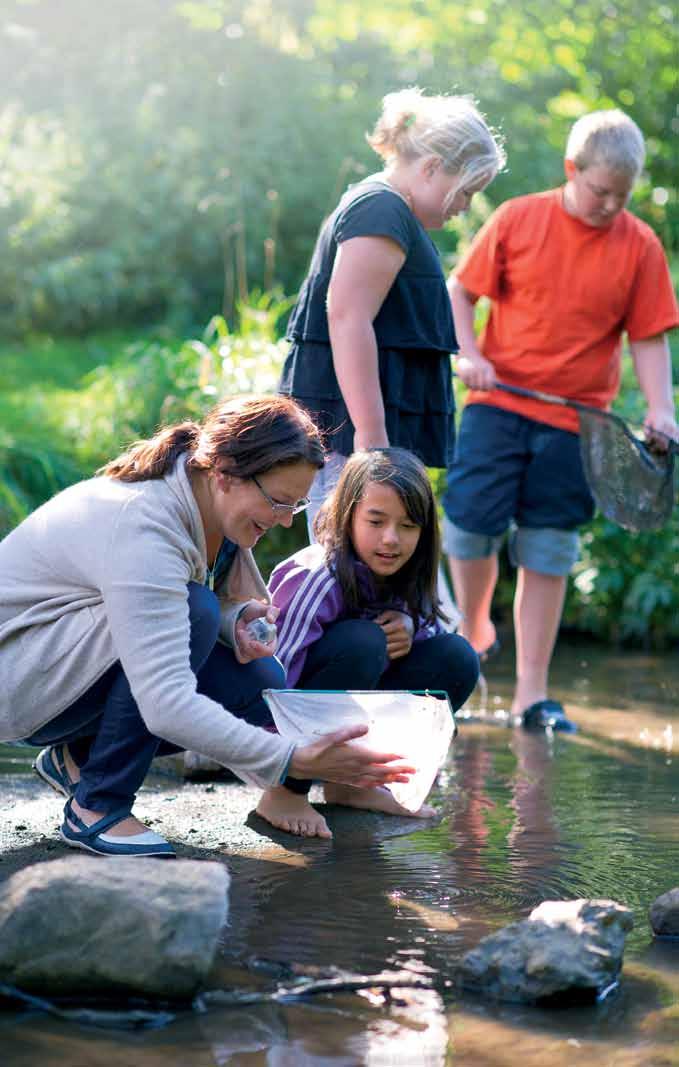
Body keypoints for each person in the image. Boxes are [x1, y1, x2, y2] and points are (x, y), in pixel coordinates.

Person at [0, 396, 416, 858]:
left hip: (62, 663)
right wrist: (290, 761)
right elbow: (164, 702)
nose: (282, 521)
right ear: (225, 473)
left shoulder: (204, 501)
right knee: (192, 611)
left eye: (295, 507)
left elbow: (155, 601)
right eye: (279, 502)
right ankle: (98, 807)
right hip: (16, 679)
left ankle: (79, 759)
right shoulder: (144, 525)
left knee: (259, 679)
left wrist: (231, 617)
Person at [443, 109, 679, 731]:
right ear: (572, 170)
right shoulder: (519, 217)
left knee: (548, 548)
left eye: (621, 197)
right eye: (600, 191)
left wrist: (662, 408)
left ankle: (532, 696)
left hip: (579, 421)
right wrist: (469, 354)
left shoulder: (640, 244)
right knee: (468, 527)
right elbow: (460, 293)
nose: (609, 206)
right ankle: (472, 626)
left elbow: (650, 337)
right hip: (497, 403)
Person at [279, 86, 506, 533]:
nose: (464, 207)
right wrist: (372, 442)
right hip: (352, 438)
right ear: (432, 168)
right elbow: (347, 317)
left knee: (391, 582)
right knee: (351, 573)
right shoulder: (381, 210)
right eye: (465, 192)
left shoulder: (391, 211)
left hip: (368, 438)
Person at [256, 448, 480, 839]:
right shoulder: (317, 575)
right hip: (279, 723)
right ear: (348, 516)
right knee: (363, 641)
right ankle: (284, 793)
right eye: (375, 521)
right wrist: (275, 761)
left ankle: (356, 785)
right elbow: (274, 679)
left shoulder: (411, 573)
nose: (391, 539)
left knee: (458, 658)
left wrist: (410, 628)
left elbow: (436, 638)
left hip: (343, 712)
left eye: (408, 526)